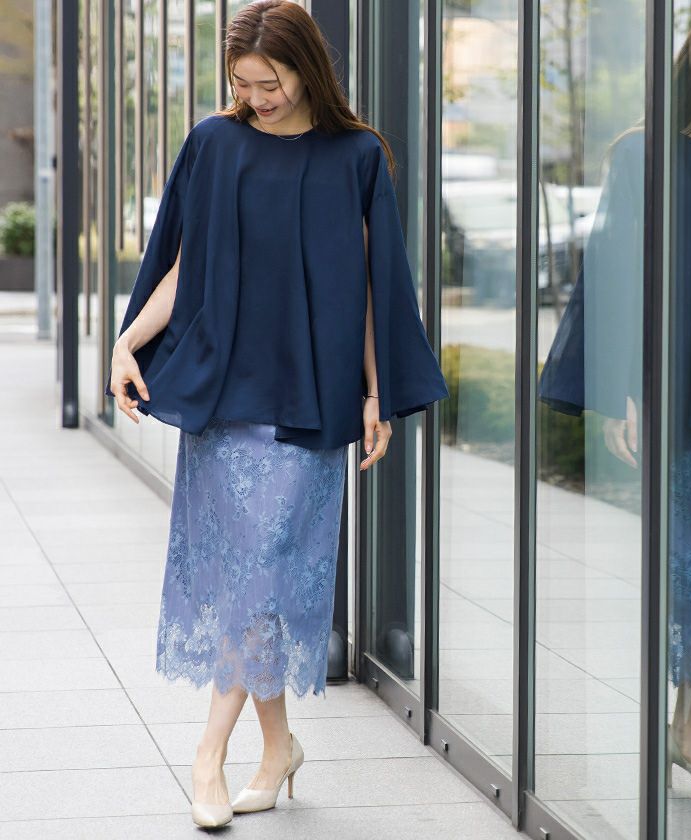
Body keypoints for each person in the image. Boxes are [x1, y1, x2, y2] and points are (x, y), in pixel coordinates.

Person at [104, 0, 449, 829]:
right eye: (243, 83)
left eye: (271, 82)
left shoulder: (357, 156)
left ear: (307, 69)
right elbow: (182, 267)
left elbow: (375, 290)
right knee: (248, 582)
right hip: (227, 398)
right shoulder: (213, 144)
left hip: (310, 402)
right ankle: (277, 748)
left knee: (260, 574)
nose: (257, 98)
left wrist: (377, 395)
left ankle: (207, 756)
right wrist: (126, 342)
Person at [539, 19, 691, 796]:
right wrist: (615, 393)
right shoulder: (647, 155)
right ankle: (689, 730)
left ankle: (687, 728)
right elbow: (611, 274)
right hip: (683, 396)